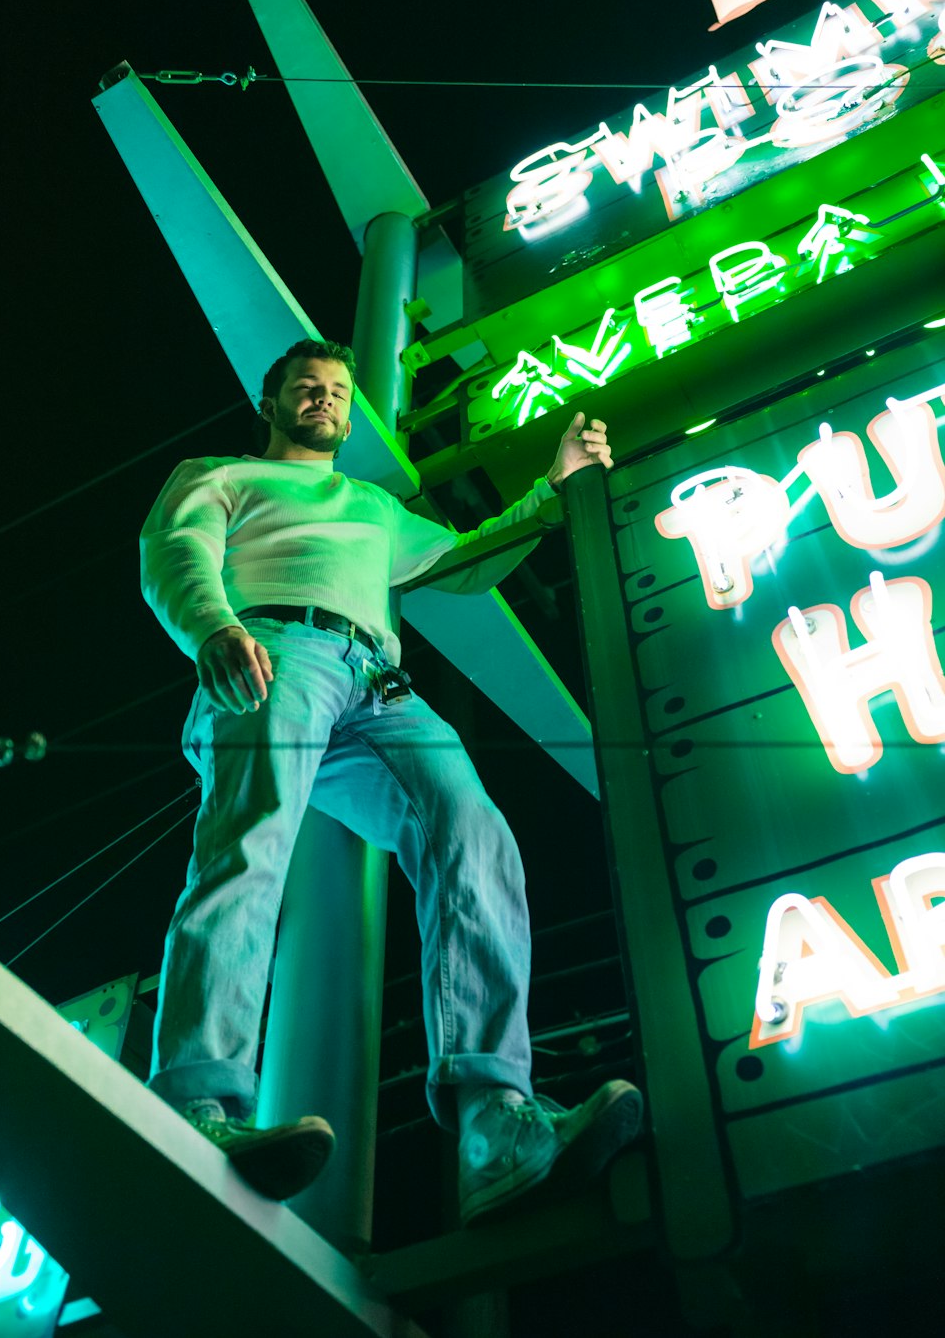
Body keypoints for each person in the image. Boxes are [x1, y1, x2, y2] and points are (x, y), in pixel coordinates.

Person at [139, 337, 642, 1224]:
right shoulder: (221, 474)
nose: (324, 399)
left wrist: (552, 490)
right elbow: (176, 549)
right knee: (250, 841)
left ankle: (497, 1123)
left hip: (380, 684)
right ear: (273, 402)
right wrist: (213, 626)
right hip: (272, 650)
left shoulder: (374, 506)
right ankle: (193, 1100)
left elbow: (465, 559)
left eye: (336, 389)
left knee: (473, 831)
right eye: (306, 386)